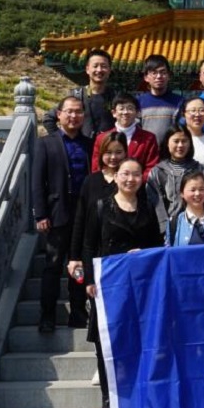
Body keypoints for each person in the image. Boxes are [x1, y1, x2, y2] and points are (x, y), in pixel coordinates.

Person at [82, 157, 166, 408]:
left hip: (140, 286)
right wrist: (90, 280)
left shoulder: (147, 208)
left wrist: (143, 253)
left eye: (136, 174)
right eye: (125, 174)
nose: (130, 179)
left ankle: (139, 396)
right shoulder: (101, 206)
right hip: (109, 285)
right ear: (116, 176)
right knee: (106, 343)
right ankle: (108, 399)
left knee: (139, 340)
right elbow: (89, 245)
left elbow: (157, 246)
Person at [66, 131, 127, 391]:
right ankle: (101, 362)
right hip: (96, 256)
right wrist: (74, 257)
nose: (113, 157)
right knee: (99, 315)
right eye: (109, 153)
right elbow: (80, 221)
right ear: (101, 155)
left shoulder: (129, 178)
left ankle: (119, 362)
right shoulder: (91, 182)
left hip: (122, 259)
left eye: (118, 152)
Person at [32, 95, 91, 333]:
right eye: (69, 111)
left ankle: (78, 312)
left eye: (78, 112)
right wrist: (40, 215)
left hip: (83, 214)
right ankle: (47, 315)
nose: (74, 116)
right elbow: (37, 182)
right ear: (59, 115)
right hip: (57, 214)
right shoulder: (46, 143)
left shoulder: (89, 144)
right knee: (53, 266)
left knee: (79, 265)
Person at [42, 49, 115, 140]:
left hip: (107, 147)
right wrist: (62, 141)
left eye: (103, 66)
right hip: (82, 147)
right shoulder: (77, 96)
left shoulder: (115, 97)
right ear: (87, 69)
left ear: (109, 70)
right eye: (95, 66)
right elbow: (48, 119)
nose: (99, 70)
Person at [91, 93, 158, 179]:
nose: (125, 112)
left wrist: (135, 182)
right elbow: (97, 166)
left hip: (137, 184)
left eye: (130, 108)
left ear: (137, 113)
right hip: (106, 184)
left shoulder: (149, 138)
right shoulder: (102, 138)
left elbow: (151, 167)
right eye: (121, 109)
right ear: (114, 113)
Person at [147, 125, 204, 219]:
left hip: (197, 221)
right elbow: (154, 200)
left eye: (184, 141)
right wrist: (165, 224)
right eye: (176, 141)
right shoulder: (157, 172)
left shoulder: (199, 170)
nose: (180, 145)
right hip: (166, 224)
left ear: (190, 143)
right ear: (167, 143)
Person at [138, 54, 182, 146]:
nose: (159, 76)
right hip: (146, 152)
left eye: (163, 72)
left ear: (169, 76)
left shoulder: (179, 102)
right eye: (154, 73)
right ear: (146, 77)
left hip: (170, 152)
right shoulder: (139, 102)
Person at [181, 96, 204, 175]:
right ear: (184, 114)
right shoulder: (176, 139)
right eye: (193, 110)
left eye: (202, 110)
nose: (197, 114)